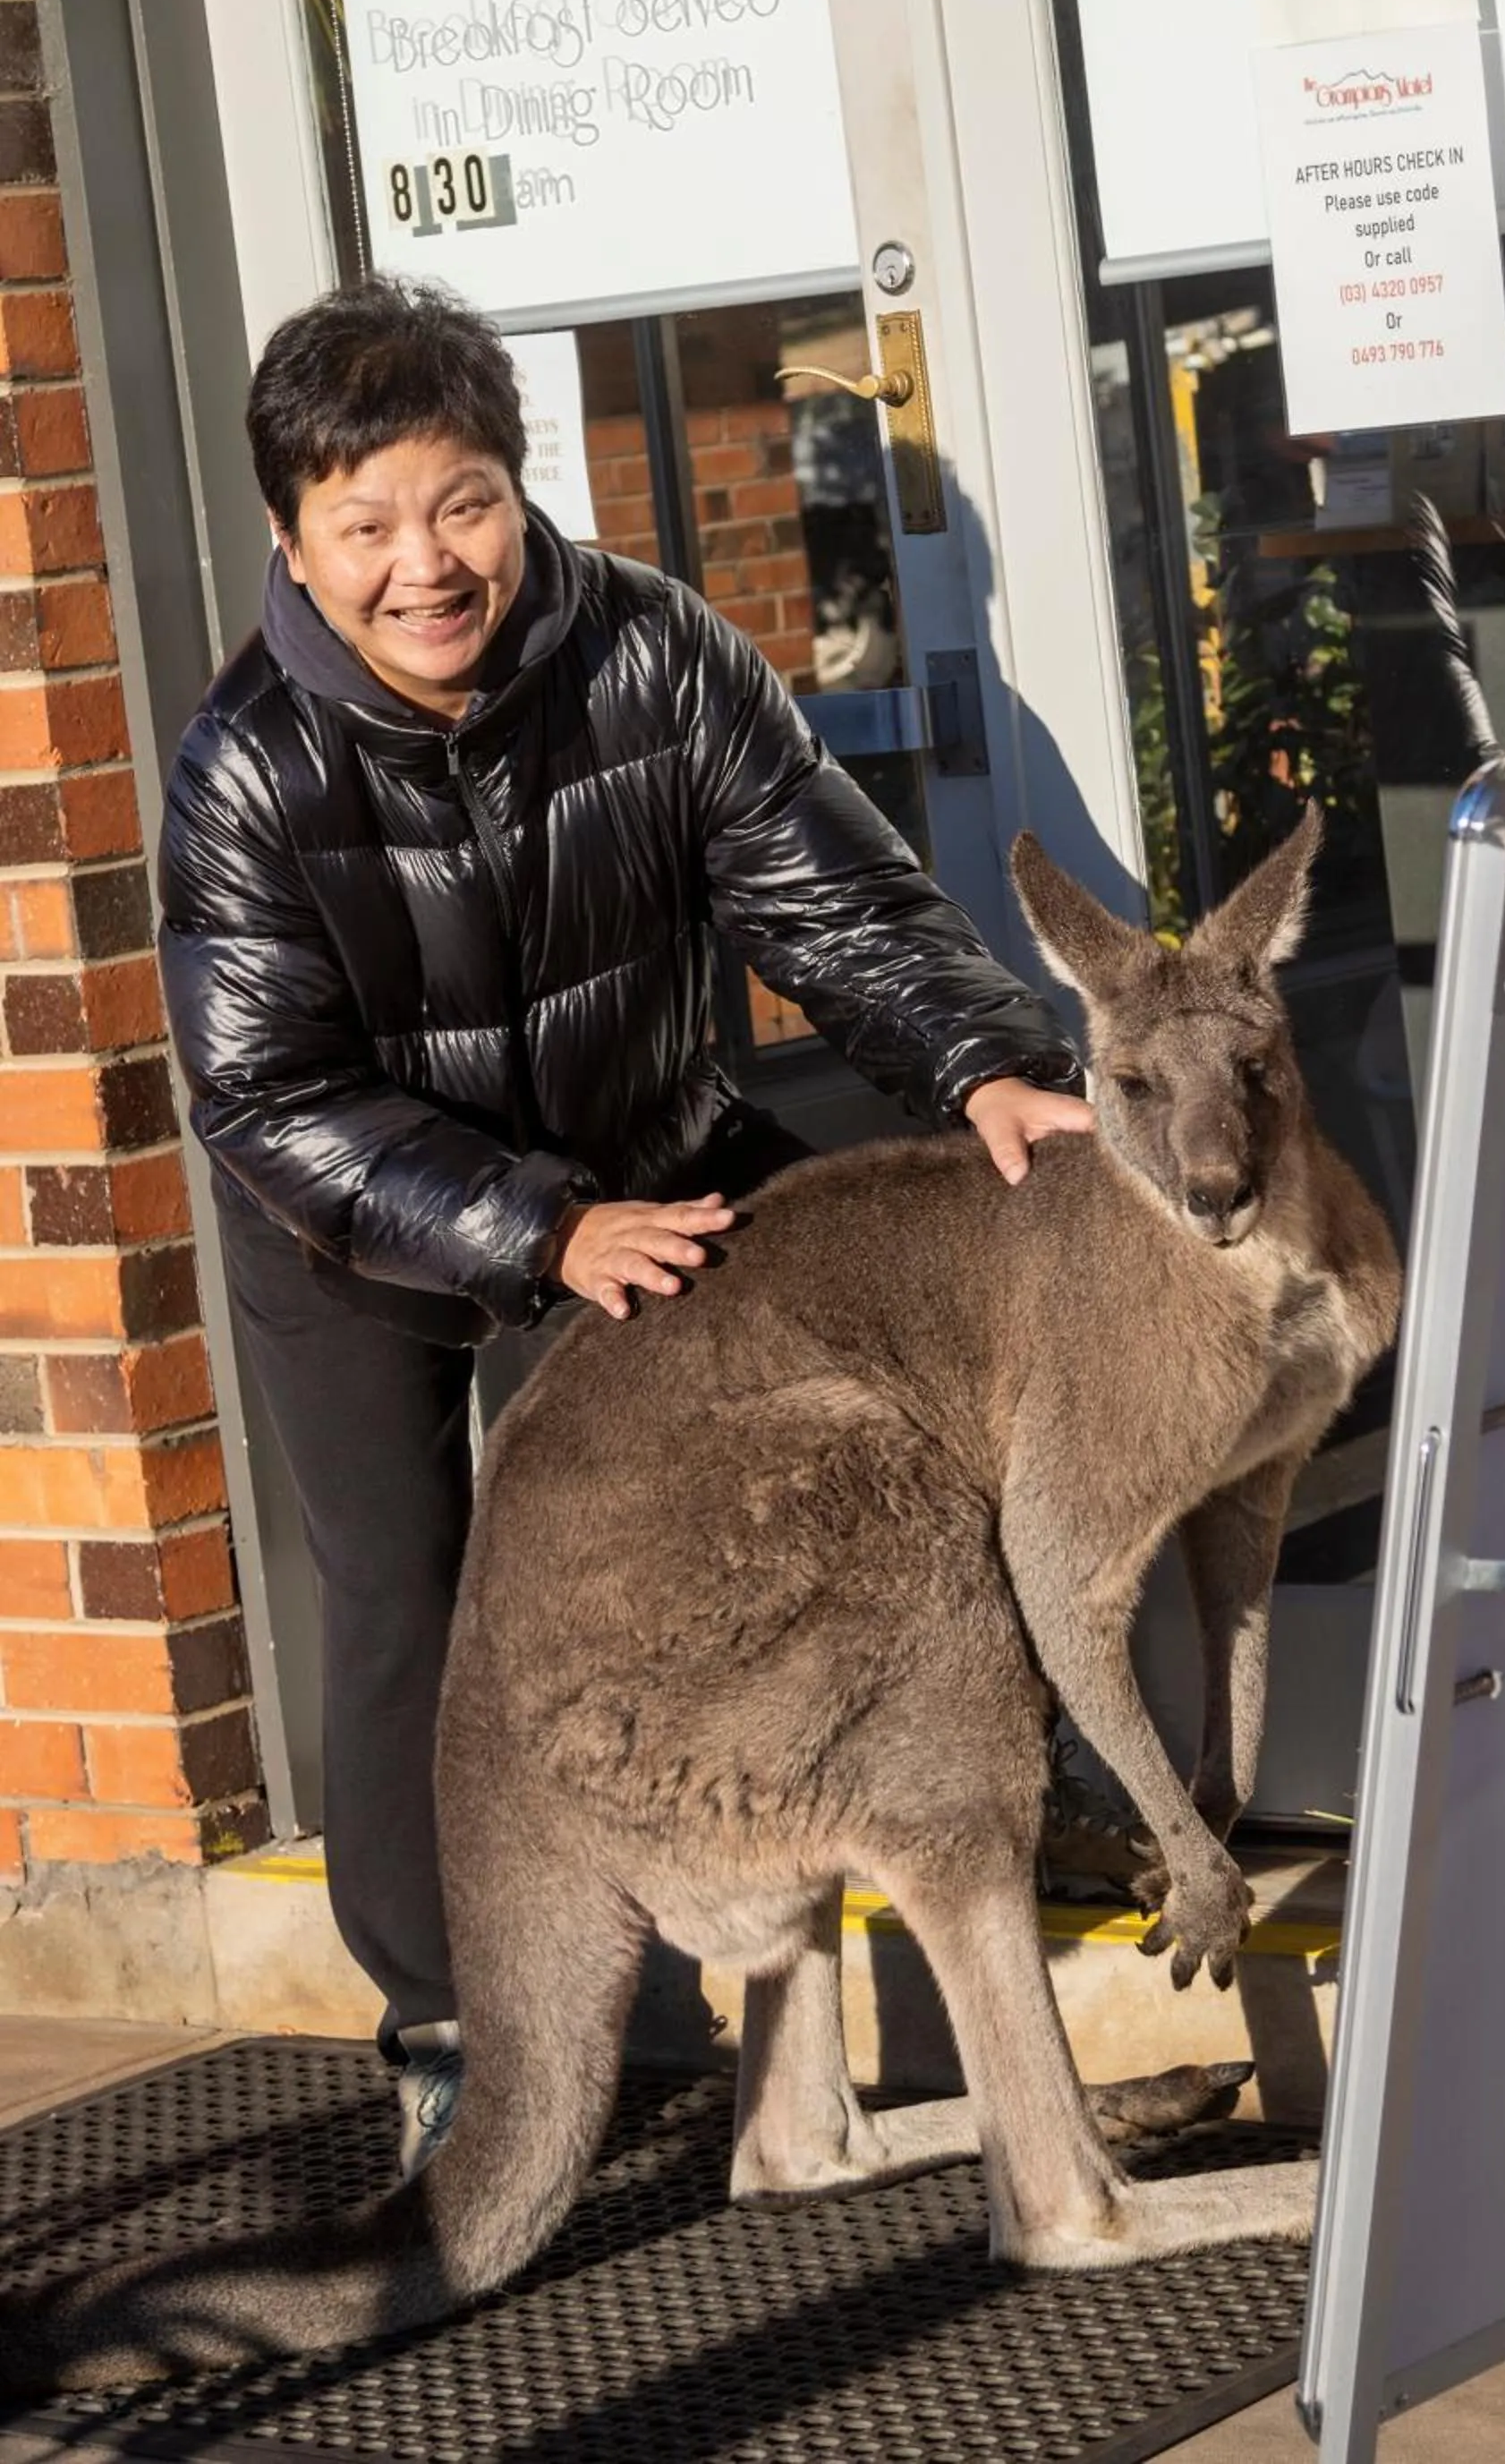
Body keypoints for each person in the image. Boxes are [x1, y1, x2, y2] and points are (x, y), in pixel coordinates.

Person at [156, 277, 1093, 2174]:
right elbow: (263, 1094)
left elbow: (833, 902)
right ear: (296, 542)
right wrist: (536, 1227)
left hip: (649, 1156)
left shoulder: (653, 655)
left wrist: (983, 1066)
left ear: (519, 490)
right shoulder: (247, 764)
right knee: (412, 1596)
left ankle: (793, 1901)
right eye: (367, 524)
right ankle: (450, 2021)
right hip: (355, 1220)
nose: (426, 563)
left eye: (463, 503)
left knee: (818, 1471)